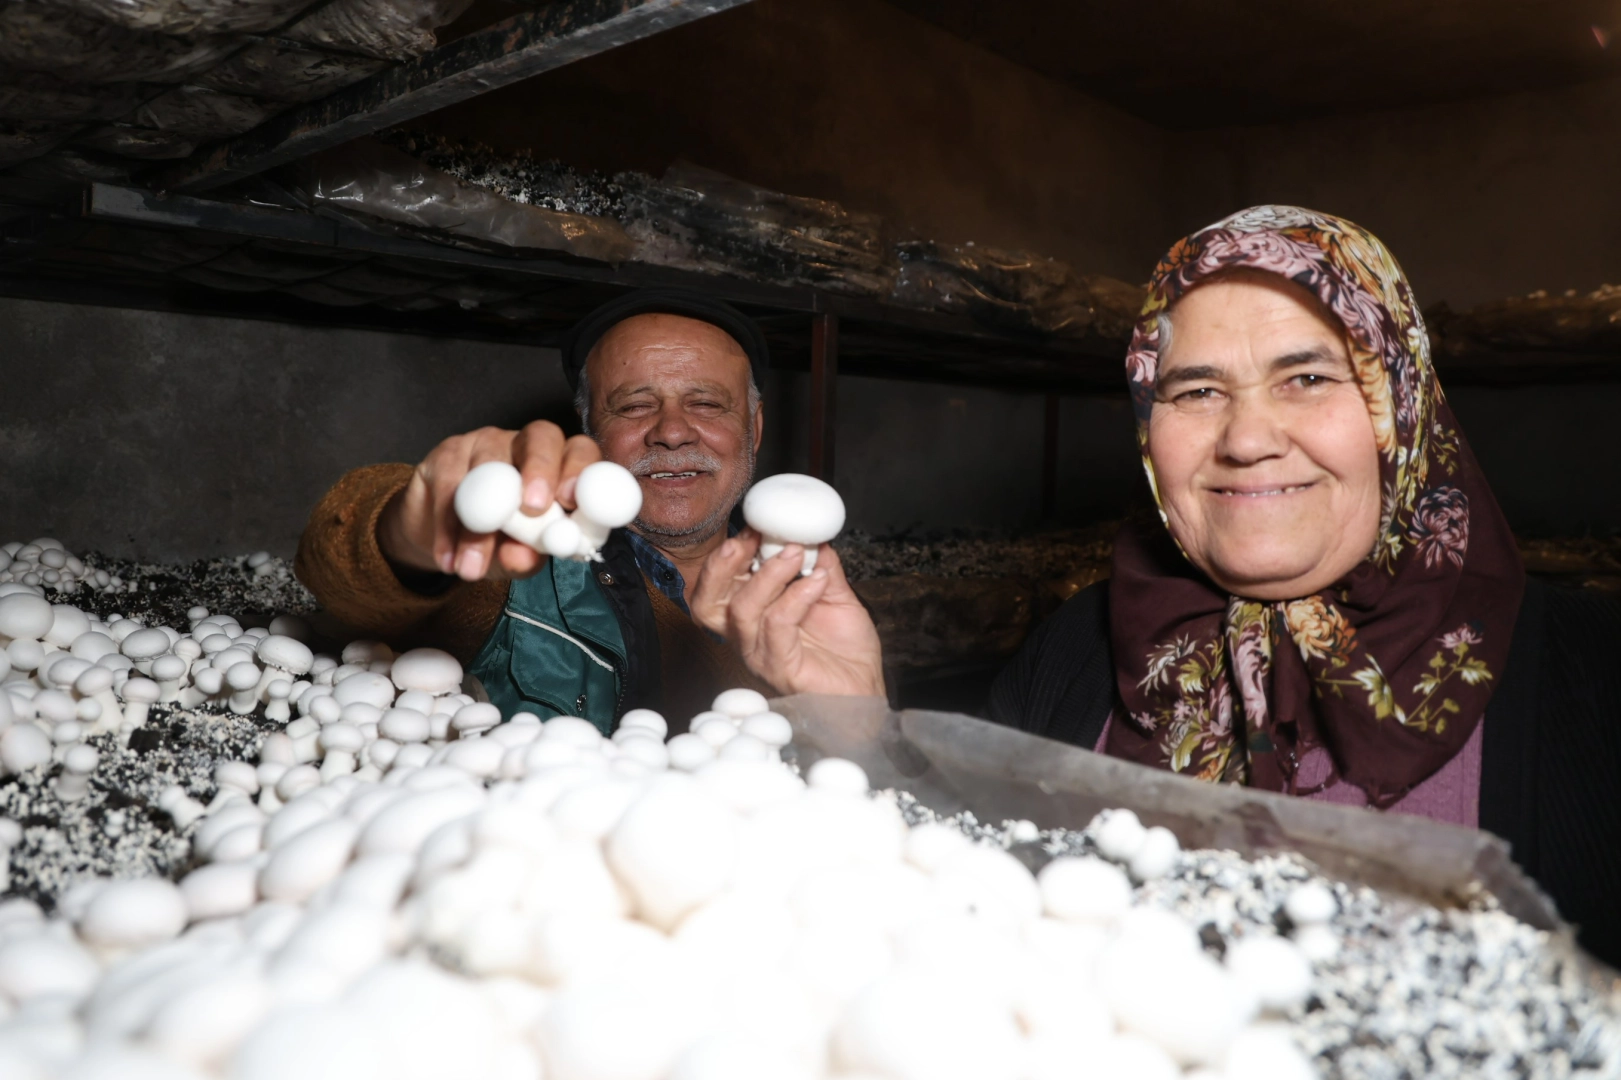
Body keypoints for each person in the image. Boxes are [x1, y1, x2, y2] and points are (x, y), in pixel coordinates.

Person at [694, 206, 1621, 965]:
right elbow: (976, 924)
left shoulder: (1591, 678)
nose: (1247, 438)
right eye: (1195, 390)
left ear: (1402, 408)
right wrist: (855, 719)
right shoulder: (1079, 649)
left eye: (1305, 377)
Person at [295, 287, 876, 730]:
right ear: (590, 431)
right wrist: (413, 529)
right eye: (633, 407)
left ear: (753, 427)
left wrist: (861, 718)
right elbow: (344, 571)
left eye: (705, 403)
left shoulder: (808, 610)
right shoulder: (514, 568)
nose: (672, 432)